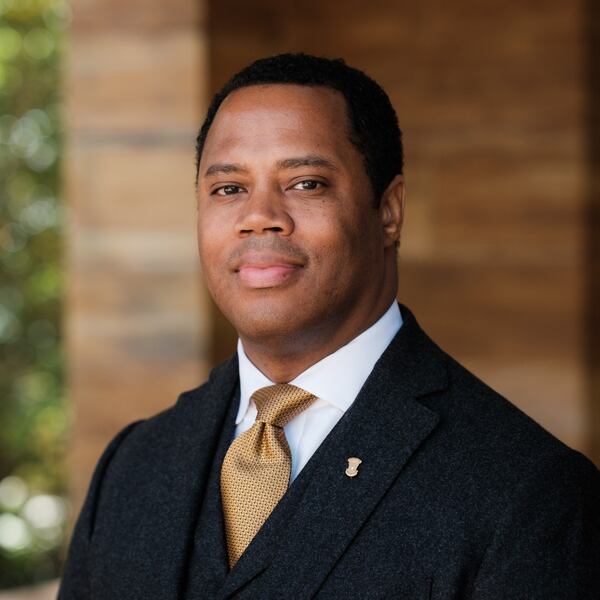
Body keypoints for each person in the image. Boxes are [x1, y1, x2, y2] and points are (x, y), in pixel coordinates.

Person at [58, 53, 599, 599]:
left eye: (306, 183)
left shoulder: (527, 493)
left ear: (388, 211)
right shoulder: (132, 466)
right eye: (228, 189)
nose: (259, 215)